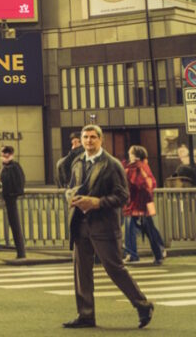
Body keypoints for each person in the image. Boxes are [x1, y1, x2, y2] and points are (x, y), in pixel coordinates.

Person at [63, 124, 153, 329]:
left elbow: (123, 196)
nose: (88, 141)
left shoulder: (112, 164)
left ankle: (143, 305)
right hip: (80, 223)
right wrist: (70, 196)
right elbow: (70, 187)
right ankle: (86, 315)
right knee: (81, 271)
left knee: (114, 269)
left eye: (93, 137)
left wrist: (96, 202)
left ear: (100, 140)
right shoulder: (77, 161)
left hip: (103, 224)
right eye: (85, 137)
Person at [123, 145, 167, 265]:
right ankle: (159, 252)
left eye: (130, 153)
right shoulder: (145, 166)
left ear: (134, 155)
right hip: (147, 202)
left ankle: (132, 254)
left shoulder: (134, 167)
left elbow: (134, 183)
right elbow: (151, 183)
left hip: (136, 203)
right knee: (149, 228)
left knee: (131, 227)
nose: (128, 155)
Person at [0, 146, 26, 259]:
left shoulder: (13, 166)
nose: (5, 155)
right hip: (8, 197)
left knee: (15, 225)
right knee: (14, 225)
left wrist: (13, 193)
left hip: (11, 198)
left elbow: (20, 181)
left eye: (7, 153)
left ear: (11, 154)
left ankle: (21, 252)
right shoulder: (5, 166)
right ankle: (20, 252)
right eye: (4, 153)